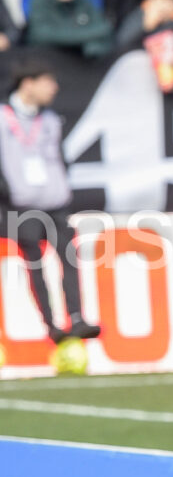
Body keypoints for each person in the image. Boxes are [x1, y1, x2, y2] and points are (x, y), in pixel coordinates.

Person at [0, 61, 101, 344]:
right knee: (34, 260)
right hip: (20, 205)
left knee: (68, 255)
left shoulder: (51, 121)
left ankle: (77, 317)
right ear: (27, 83)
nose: (53, 88)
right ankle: (51, 325)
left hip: (55, 203)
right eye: (47, 81)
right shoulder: (3, 118)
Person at [26, 0, 113, 58]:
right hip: (51, 58)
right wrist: (90, 35)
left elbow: (103, 25)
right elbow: (43, 35)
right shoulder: (40, 2)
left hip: (82, 56)